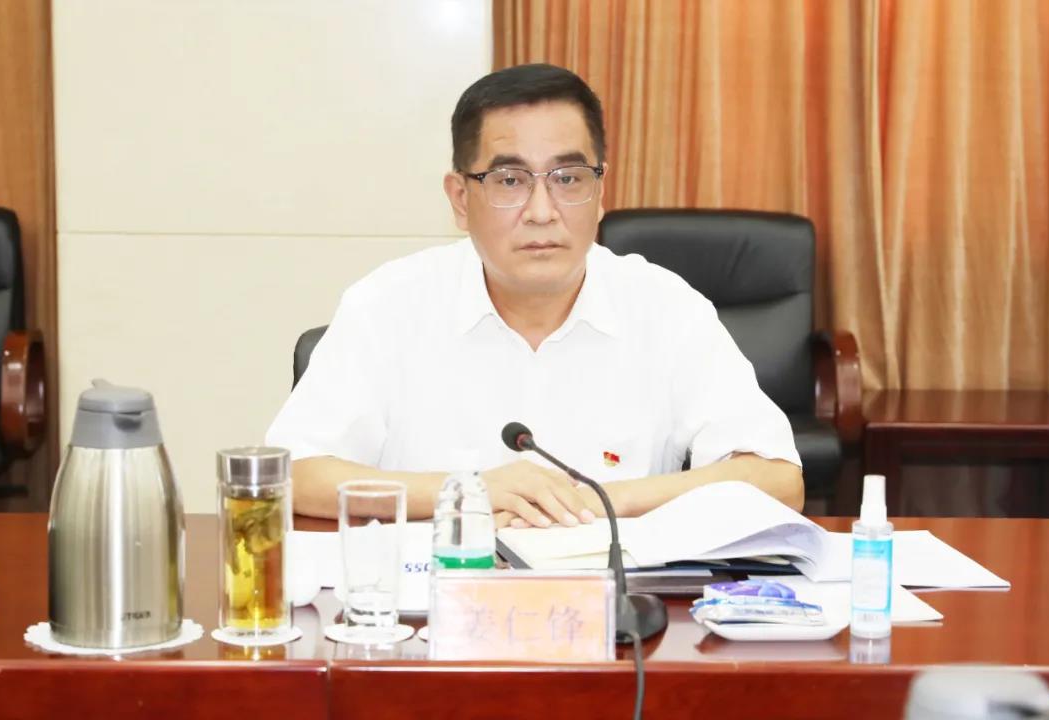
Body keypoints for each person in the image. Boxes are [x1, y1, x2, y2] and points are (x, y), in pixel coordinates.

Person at [266, 63, 803, 527]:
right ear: (460, 198)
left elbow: (778, 480)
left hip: (616, 604)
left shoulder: (665, 307)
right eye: (510, 180)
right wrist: (469, 493)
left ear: (600, 191)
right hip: (434, 600)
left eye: (568, 179)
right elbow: (292, 474)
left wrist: (600, 501)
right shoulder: (388, 304)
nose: (542, 211)